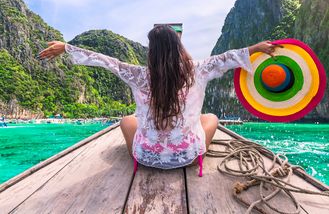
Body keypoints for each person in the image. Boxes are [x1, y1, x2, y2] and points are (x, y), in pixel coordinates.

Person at [38, 25, 282, 176]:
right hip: (187, 155)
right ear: (178, 46)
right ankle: (188, 146)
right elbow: (228, 58)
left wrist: (67, 48)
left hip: (146, 156)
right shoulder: (198, 69)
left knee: (126, 121)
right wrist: (256, 47)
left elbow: (105, 61)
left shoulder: (140, 75)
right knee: (211, 118)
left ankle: (149, 149)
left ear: (151, 50)